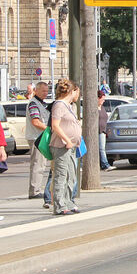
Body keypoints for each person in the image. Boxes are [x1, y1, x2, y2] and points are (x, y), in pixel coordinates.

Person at [49, 79, 81, 215]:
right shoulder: (59, 105)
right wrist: (67, 139)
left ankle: (68, 201)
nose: (78, 96)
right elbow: (55, 125)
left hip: (72, 146)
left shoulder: (69, 106)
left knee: (71, 175)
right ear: (72, 91)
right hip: (61, 145)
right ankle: (59, 205)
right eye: (77, 92)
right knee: (61, 175)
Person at [26, 81, 51, 201]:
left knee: (41, 164)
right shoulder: (33, 104)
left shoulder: (42, 103)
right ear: (36, 90)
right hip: (36, 138)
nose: (46, 93)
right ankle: (34, 191)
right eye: (43, 91)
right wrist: (49, 129)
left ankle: (36, 189)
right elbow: (35, 121)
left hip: (40, 137)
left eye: (47, 91)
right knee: (38, 164)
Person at [97, 91, 115, 171]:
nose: (104, 101)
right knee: (101, 149)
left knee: (102, 149)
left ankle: (104, 164)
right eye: (102, 99)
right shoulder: (95, 108)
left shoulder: (102, 108)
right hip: (97, 131)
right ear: (98, 98)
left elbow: (105, 119)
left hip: (103, 131)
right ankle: (105, 164)